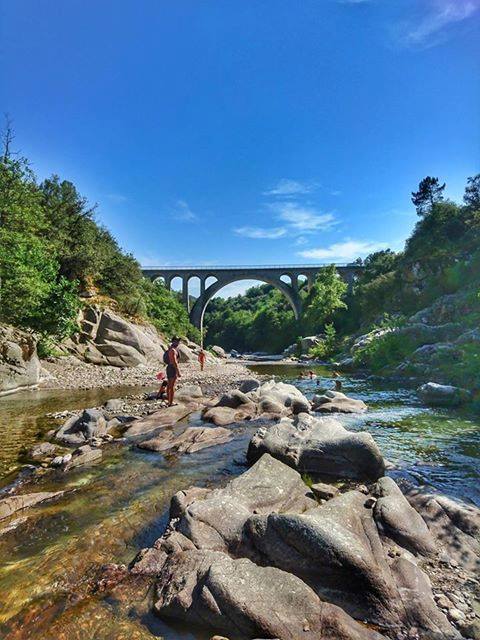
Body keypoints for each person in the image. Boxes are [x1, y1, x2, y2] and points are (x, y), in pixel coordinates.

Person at [165, 337, 181, 406]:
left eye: (178, 341)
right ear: (173, 342)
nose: (178, 343)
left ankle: (169, 401)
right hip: (172, 368)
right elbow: (174, 361)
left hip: (169, 367)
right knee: (172, 386)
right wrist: (178, 371)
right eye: (177, 341)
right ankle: (170, 403)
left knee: (169, 385)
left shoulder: (170, 349)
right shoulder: (173, 350)